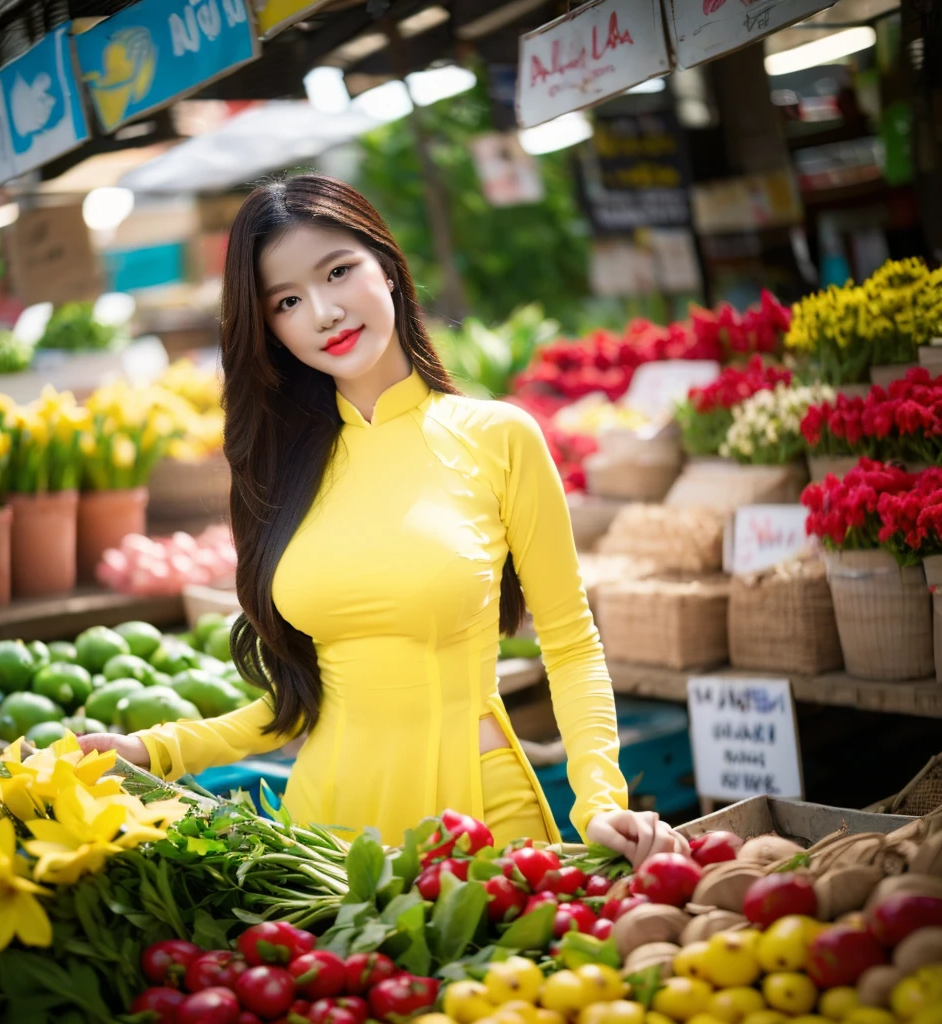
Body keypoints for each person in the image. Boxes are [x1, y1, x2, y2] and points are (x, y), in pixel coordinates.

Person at [79, 174, 687, 866]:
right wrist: (150, 749)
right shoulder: (280, 473)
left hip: (477, 821)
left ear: (388, 267)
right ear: (271, 329)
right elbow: (304, 704)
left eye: (338, 271)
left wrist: (600, 800)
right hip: (325, 836)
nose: (324, 312)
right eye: (286, 301)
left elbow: (571, 644)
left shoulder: (497, 437)